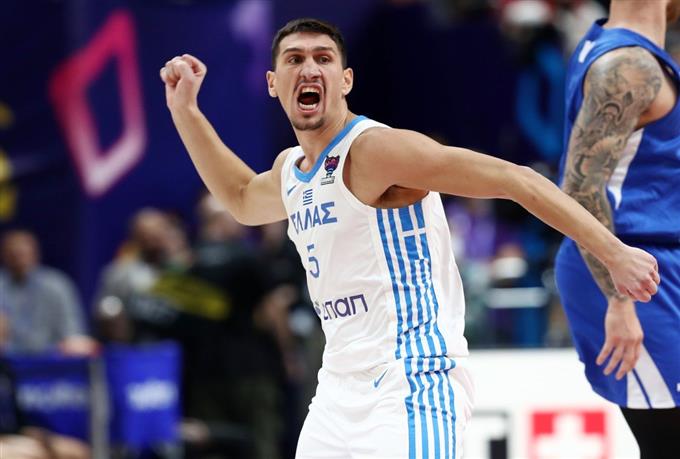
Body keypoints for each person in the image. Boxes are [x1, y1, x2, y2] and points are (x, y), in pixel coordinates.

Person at [161, 18, 659, 458]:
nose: (309, 68)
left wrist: (614, 253)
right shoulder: (292, 171)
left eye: (323, 58)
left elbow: (516, 179)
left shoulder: (376, 151)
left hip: (411, 381)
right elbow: (241, 197)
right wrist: (185, 111)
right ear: (273, 83)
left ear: (345, 80)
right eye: (294, 59)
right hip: (336, 388)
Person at [555, 1, 680, 457]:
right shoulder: (628, 64)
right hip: (631, 274)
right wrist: (619, 298)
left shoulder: (618, 47)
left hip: (651, 267)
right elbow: (579, 189)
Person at [0, 230, 96, 356]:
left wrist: (71, 343)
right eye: (13, 255)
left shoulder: (56, 285)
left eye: (22, 254)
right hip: (6, 360)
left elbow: (72, 331)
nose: (18, 260)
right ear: (4, 256)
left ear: (35, 254)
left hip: (52, 359)